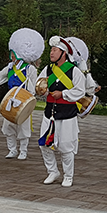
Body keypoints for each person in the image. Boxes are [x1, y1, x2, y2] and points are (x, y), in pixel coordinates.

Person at [0, 28, 43, 160]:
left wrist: (27, 99)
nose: (11, 55)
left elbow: (32, 86)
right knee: (8, 125)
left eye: (13, 53)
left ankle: (23, 150)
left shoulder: (30, 69)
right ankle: (12, 149)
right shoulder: (10, 67)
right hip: (10, 99)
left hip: (23, 100)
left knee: (23, 126)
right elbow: (0, 76)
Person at [37, 36, 87, 187]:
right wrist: (41, 90)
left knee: (66, 147)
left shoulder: (74, 71)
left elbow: (80, 91)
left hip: (67, 114)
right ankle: (52, 171)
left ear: (63, 53)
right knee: (44, 144)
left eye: (55, 50)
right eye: (51, 50)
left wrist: (63, 94)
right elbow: (40, 85)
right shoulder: (47, 69)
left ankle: (68, 175)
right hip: (49, 113)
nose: (51, 53)